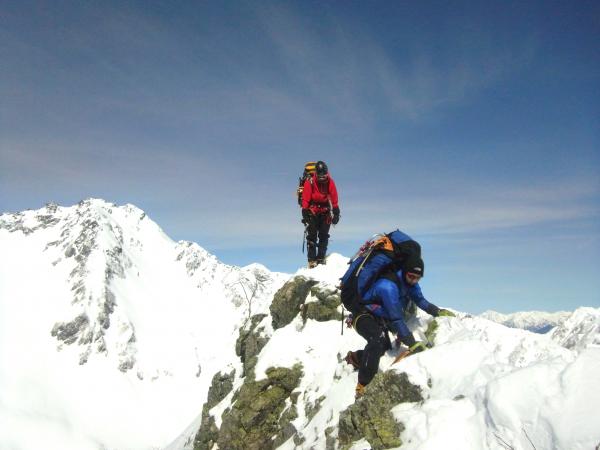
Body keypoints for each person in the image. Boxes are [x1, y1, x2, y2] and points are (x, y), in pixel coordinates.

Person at [340, 230, 454, 399]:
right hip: (362, 313)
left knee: (384, 347)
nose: (413, 280)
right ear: (405, 271)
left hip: (378, 315)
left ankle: (355, 358)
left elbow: (420, 299)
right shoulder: (388, 286)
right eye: (411, 276)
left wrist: (436, 311)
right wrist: (411, 343)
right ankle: (362, 385)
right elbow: (396, 317)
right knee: (376, 340)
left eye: (417, 278)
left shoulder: (409, 282)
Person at [301, 161, 340, 268]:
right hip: (312, 211)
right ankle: (312, 260)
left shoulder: (330, 182)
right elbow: (306, 197)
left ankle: (320, 258)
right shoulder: (310, 181)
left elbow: (334, 197)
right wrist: (304, 211)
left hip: (325, 211)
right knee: (312, 236)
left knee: (324, 235)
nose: (322, 178)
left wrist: (336, 211)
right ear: (316, 174)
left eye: (324, 176)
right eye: (320, 176)